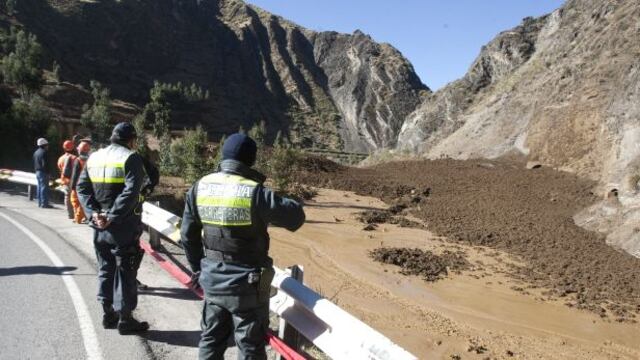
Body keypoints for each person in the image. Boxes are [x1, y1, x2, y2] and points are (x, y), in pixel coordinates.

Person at [181, 133, 305, 359]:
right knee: (249, 346)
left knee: (210, 339)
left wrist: (199, 269)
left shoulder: (200, 187)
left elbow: (187, 235)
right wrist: (295, 201)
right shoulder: (255, 192)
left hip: (212, 279)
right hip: (247, 285)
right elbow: (295, 218)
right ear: (251, 159)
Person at [76, 122, 149, 334]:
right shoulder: (131, 157)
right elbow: (132, 191)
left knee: (105, 268)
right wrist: (113, 216)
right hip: (122, 225)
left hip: (100, 227)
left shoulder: (94, 157)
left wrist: (94, 213)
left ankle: (108, 315)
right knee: (126, 270)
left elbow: (82, 188)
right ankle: (125, 320)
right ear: (131, 140)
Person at [69, 140, 91, 224]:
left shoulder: (77, 160)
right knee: (84, 202)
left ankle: (78, 218)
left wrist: (72, 187)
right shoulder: (90, 160)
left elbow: (74, 175)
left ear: (80, 150)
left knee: (75, 201)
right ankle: (83, 217)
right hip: (88, 185)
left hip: (78, 185)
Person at [58, 139, 77, 219]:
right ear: (73, 147)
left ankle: (70, 214)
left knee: (67, 196)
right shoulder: (74, 158)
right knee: (75, 197)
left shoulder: (61, 158)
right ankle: (77, 215)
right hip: (73, 181)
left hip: (64, 180)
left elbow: (59, 168)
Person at [33, 137, 53, 208]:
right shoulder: (44, 153)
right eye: (47, 145)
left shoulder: (36, 152)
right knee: (44, 188)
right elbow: (45, 164)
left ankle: (40, 203)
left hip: (37, 172)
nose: (48, 146)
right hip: (43, 172)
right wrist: (48, 173)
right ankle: (44, 204)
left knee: (39, 187)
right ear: (44, 145)